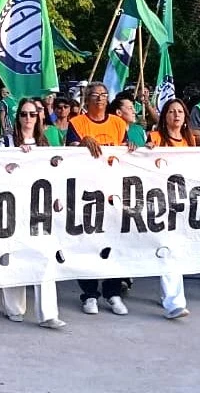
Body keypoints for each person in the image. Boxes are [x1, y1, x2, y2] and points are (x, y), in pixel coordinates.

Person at [0, 98, 66, 328]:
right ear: (18, 117)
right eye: (24, 114)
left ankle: (48, 314)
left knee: (45, 257)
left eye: (32, 114)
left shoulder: (45, 144)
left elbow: (55, 174)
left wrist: (57, 199)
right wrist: (12, 159)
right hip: (12, 207)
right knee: (14, 256)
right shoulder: (6, 142)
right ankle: (14, 308)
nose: (28, 118)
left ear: (39, 117)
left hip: (40, 209)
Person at [66, 82, 132, 315]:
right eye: (95, 95)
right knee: (87, 245)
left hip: (114, 194)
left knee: (115, 244)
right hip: (87, 195)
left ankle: (113, 292)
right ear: (86, 98)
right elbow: (70, 154)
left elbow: (125, 151)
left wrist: (131, 147)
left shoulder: (118, 123)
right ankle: (90, 294)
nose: (100, 99)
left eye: (104, 95)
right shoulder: (77, 123)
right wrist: (83, 142)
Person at [142, 98, 199, 320]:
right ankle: (173, 302)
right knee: (166, 248)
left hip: (181, 202)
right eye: (171, 111)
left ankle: (171, 298)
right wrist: (146, 151)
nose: (176, 115)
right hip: (158, 200)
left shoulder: (189, 140)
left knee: (173, 250)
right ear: (164, 116)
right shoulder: (155, 138)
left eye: (180, 112)